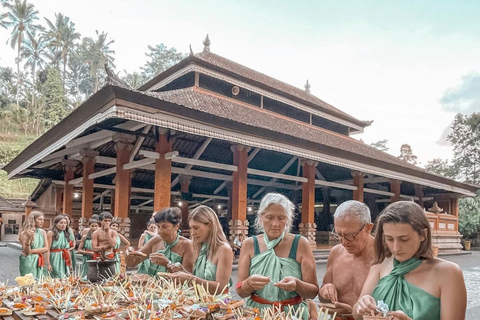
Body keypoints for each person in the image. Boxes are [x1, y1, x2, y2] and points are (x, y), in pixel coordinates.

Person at [353, 201, 467, 320]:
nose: (396, 248)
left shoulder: (448, 273)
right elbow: (356, 314)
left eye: (404, 239)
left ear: (423, 234)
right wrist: (361, 306)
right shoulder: (381, 264)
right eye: (390, 239)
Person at [236, 193, 318, 320]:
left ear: (288, 220)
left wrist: (297, 285)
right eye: (269, 217)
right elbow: (240, 291)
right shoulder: (249, 244)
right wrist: (249, 283)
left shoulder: (300, 244)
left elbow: (313, 291)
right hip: (257, 314)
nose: (275, 224)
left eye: (281, 218)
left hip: (293, 314)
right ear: (260, 217)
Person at [315, 200, 375, 319]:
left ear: (368, 228)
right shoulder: (336, 252)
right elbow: (323, 296)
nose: (344, 242)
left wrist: (352, 311)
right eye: (339, 235)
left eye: (349, 235)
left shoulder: (384, 257)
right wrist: (326, 290)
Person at [170, 205, 233, 294]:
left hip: (218, 305)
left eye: (196, 228)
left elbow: (220, 288)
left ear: (210, 225)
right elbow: (201, 280)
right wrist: (183, 272)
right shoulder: (201, 247)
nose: (193, 233)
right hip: (200, 302)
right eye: (191, 228)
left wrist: (190, 278)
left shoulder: (224, 249)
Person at [130, 207, 194, 276]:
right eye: (158, 226)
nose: (160, 231)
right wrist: (130, 255)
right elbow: (132, 263)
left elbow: (188, 277)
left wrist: (168, 264)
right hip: (152, 285)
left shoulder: (187, 245)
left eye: (165, 227)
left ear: (176, 226)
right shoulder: (155, 240)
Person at [18, 211, 48, 279]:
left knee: (39, 282)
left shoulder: (43, 232)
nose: (42, 221)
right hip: (28, 260)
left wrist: (32, 251)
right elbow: (27, 252)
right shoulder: (24, 233)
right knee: (28, 282)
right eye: (40, 219)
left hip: (39, 259)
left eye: (43, 219)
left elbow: (46, 248)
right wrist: (28, 239)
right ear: (33, 220)